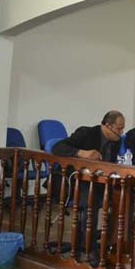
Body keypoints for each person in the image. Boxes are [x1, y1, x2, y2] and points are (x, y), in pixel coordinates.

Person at [52, 110, 126, 259]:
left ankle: (112, 243)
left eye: (122, 129)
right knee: (91, 200)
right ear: (107, 125)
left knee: (123, 196)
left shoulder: (116, 141)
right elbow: (57, 147)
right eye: (118, 129)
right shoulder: (86, 133)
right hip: (72, 181)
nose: (121, 133)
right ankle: (88, 248)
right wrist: (81, 153)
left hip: (98, 181)